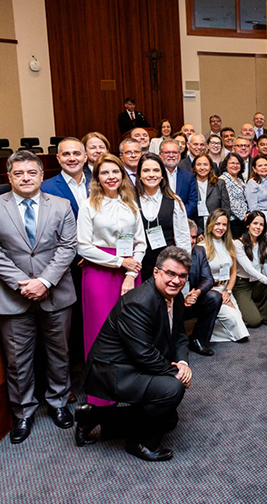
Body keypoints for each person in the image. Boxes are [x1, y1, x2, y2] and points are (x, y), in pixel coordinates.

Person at [0, 151, 77, 444]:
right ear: (9, 177)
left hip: (56, 292)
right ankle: (23, 412)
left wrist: (44, 281)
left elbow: (68, 246)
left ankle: (59, 403)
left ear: (41, 175)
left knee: (59, 353)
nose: (25, 178)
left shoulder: (61, 205)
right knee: (18, 360)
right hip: (12, 295)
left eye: (31, 172)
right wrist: (24, 285)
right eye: (18, 173)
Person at [76, 247, 193, 462]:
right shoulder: (139, 302)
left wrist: (183, 362)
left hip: (136, 363)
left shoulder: (175, 297)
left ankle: (93, 417)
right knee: (171, 389)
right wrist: (175, 372)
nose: (176, 281)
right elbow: (144, 354)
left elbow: (179, 336)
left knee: (169, 420)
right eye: (170, 273)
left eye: (182, 276)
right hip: (113, 369)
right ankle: (140, 443)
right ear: (156, 272)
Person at [77, 153, 146, 405]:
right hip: (98, 273)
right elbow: (83, 246)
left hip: (130, 273)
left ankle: (130, 388)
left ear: (123, 175)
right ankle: (101, 396)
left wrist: (130, 273)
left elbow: (141, 242)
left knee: (131, 330)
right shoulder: (88, 205)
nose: (111, 177)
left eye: (115, 172)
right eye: (104, 173)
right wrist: (119, 262)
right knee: (101, 331)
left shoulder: (131, 204)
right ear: (97, 177)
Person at [41, 138, 91, 363]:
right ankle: (69, 371)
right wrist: (78, 254)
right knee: (67, 321)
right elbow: (47, 230)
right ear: (58, 158)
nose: (72, 158)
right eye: (66, 154)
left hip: (96, 261)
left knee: (91, 315)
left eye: (77, 153)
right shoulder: (47, 187)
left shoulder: (97, 183)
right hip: (64, 265)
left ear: (85, 156)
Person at [134, 154, 191, 280]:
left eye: (156, 170)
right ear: (139, 174)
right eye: (146, 170)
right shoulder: (130, 200)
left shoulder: (175, 201)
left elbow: (183, 237)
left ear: (162, 174)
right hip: (138, 265)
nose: (151, 174)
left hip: (167, 267)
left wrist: (181, 267)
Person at [201, 209, 249, 343]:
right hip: (210, 292)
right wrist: (217, 295)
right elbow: (199, 279)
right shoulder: (202, 248)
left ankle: (211, 326)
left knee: (238, 320)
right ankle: (206, 331)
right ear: (210, 224)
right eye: (217, 224)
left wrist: (228, 292)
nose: (220, 228)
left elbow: (233, 272)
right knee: (235, 321)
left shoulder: (230, 245)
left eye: (224, 225)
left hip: (225, 290)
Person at [233, 211, 267, 327]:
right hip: (242, 285)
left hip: (257, 284)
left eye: (261, 225)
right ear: (247, 225)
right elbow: (249, 269)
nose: (258, 227)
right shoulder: (238, 244)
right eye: (255, 223)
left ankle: (263, 315)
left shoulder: (265, 243)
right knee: (254, 322)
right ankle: (243, 312)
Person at [184, 220, 221, 356]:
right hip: (173, 300)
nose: (192, 241)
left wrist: (196, 293)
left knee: (215, 297)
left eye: (194, 237)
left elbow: (208, 279)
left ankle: (198, 340)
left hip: (193, 299)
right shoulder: (170, 252)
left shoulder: (199, 251)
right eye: (188, 236)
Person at [159, 140, 199, 219]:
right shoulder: (154, 175)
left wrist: (180, 216)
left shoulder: (188, 176)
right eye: (167, 152)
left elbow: (192, 202)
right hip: (160, 220)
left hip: (183, 220)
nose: (171, 155)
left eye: (175, 152)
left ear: (179, 155)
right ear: (160, 155)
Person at [193, 152, 230, 235]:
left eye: (205, 164)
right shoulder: (189, 184)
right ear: (194, 167)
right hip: (196, 229)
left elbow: (226, 209)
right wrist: (198, 232)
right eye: (199, 164)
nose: (202, 168)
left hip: (217, 228)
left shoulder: (219, 183)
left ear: (210, 167)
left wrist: (219, 227)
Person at [219, 152, 249, 238]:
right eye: (232, 163)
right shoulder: (223, 179)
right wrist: (244, 216)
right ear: (226, 165)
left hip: (243, 220)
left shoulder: (239, 179)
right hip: (233, 221)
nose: (235, 165)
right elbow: (230, 201)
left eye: (237, 163)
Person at [245, 156, 267, 240]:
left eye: (265, 165)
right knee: (260, 240)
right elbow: (252, 204)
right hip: (261, 214)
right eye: (260, 166)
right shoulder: (252, 183)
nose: (264, 168)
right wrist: (258, 218)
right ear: (254, 169)